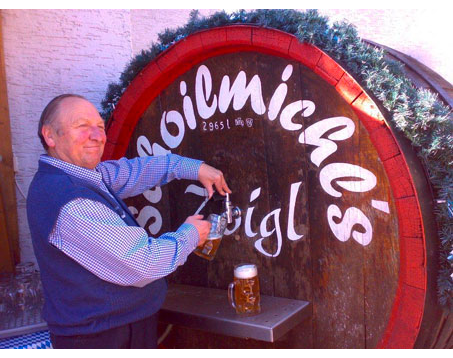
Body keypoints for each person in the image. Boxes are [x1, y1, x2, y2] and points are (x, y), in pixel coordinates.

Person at [26, 94, 231, 349]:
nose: (97, 135)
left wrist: (194, 168)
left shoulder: (85, 176)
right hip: (100, 337)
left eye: (100, 127)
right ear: (50, 136)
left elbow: (137, 171)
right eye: (82, 126)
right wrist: (190, 234)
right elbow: (143, 262)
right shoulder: (68, 200)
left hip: (116, 327)